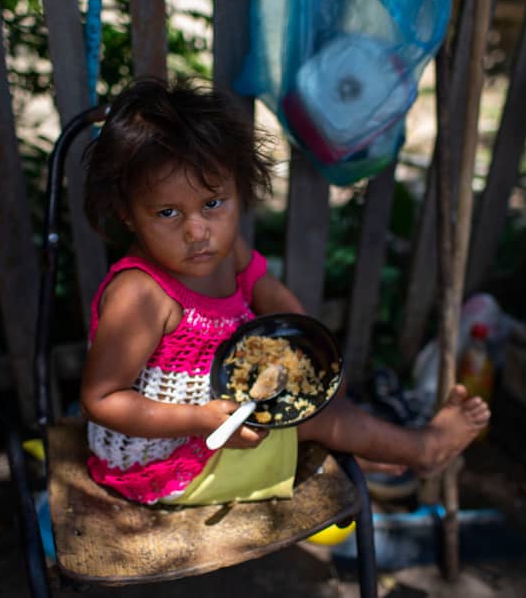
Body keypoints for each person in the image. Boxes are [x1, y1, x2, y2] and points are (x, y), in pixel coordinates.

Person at [79, 78, 490, 506]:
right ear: (127, 214)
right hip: (163, 464)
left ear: (239, 190)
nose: (196, 231)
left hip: (219, 422)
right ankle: (424, 450)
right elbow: (101, 399)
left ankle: (362, 447)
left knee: (318, 398)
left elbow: (268, 291)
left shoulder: (224, 250)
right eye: (167, 213)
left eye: (213, 204)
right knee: (327, 419)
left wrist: (317, 353)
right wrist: (198, 420)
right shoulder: (141, 295)